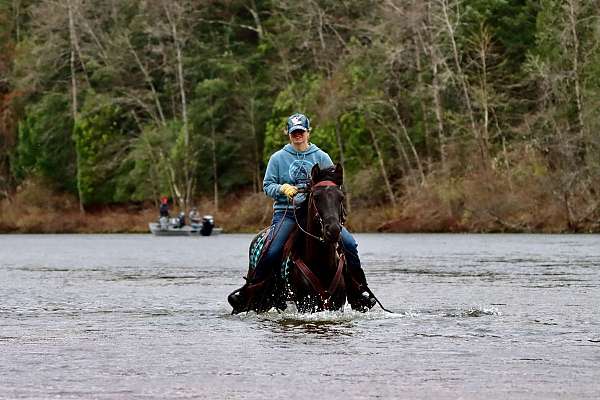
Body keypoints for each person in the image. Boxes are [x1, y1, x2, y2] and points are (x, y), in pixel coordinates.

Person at [227, 113, 376, 312]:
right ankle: (250, 291)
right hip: (287, 213)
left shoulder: (321, 157)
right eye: (294, 132)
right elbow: (267, 186)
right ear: (288, 134)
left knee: (349, 243)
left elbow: (332, 186)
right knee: (271, 250)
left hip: (319, 215)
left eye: (301, 132)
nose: (298, 135)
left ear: (308, 132)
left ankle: (359, 290)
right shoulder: (278, 158)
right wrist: (282, 189)